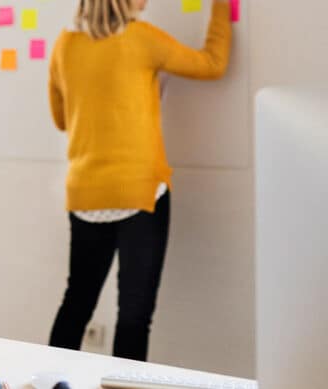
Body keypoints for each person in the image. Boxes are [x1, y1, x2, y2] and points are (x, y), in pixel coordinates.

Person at [47, 0, 232, 361]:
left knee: (76, 303)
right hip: (140, 193)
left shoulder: (65, 44)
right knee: (133, 316)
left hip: (86, 194)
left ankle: (48, 379)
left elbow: (62, 119)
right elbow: (213, 64)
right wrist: (221, 7)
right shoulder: (144, 39)